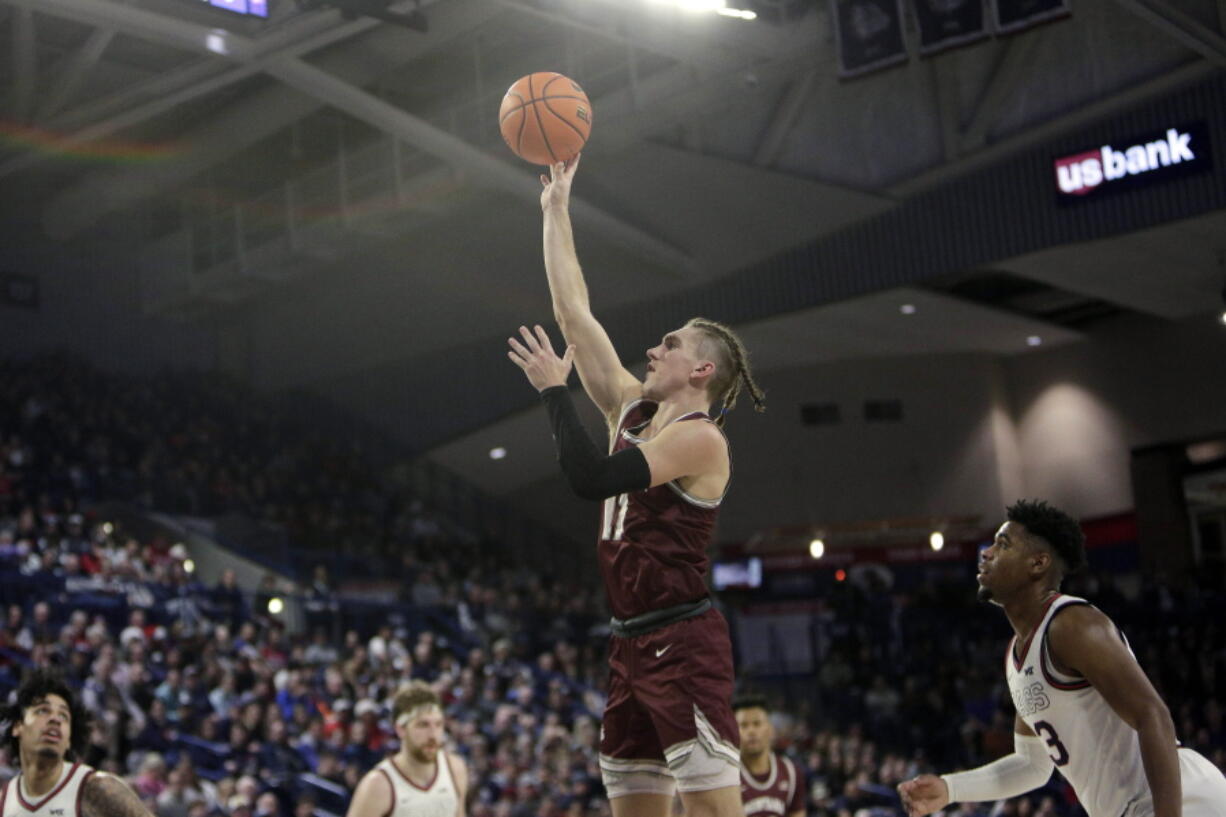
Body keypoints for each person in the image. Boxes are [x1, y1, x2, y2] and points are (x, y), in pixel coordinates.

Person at [506, 156, 765, 817]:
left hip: (683, 643)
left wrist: (555, 392)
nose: (652, 351)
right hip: (627, 641)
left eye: (668, 344)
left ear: (701, 368)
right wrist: (555, 212)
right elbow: (572, 312)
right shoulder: (632, 409)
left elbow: (590, 477)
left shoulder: (701, 439)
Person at [897, 499, 1226, 817]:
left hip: (1180, 799)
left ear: (1038, 563)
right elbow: (1033, 765)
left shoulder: (1072, 624)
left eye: (1003, 545)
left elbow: (1153, 715)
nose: (987, 553)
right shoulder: (1017, 655)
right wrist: (951, 788)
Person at [1, 668, 157, 817]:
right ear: (17, 726)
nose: (54, 720)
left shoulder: (96, 787)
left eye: (63, 716)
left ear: (68, 739)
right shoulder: (5, 800)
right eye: (42, 711)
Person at [343, 681, 467, 817]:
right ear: (401, 729)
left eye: (438, 724)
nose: (433, 734)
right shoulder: (378, 785)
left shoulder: (455, 768)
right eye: (423, 725)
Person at [732, 694, 805, 817]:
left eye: (757, 724)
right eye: (744, 725)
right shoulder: (726, 776)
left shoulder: (790, 772)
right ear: (733, 731)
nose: (751, 731)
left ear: (770, 729)